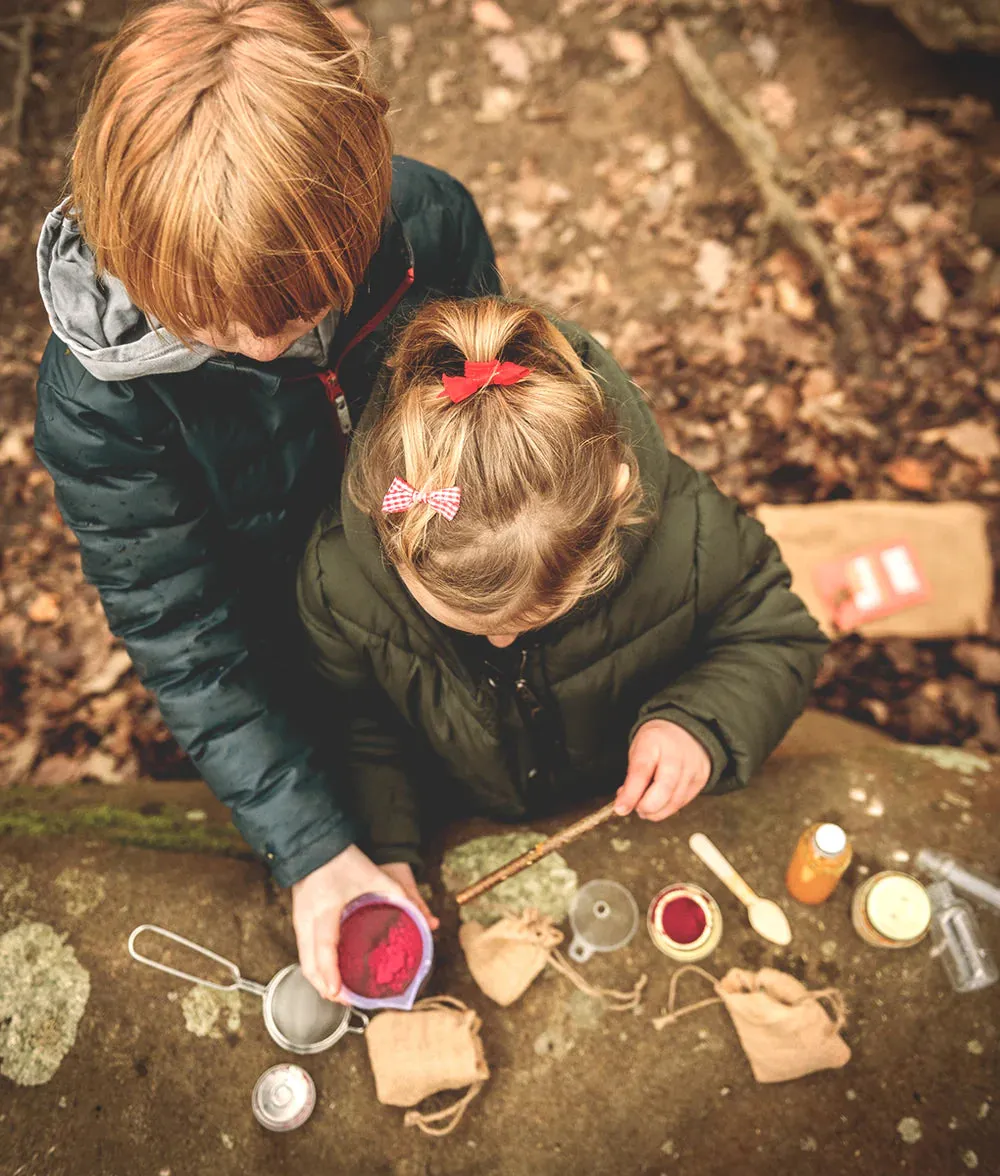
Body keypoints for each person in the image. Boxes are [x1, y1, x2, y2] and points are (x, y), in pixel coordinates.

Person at [34, 0, 500, 987]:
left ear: (359, 204)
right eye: (208, 324)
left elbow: (485, 394)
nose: (262, 347)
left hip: (421, 567)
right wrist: (313, 846)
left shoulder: (427, 223)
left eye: (296, 312)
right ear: (134, 254)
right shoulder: (98, 403)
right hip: (273, 631)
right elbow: (184, 635)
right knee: (341, 762)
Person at [298, 296, 829, 999]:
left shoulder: (690, 539)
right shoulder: (342, 584)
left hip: (611, 787)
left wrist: (700, 724)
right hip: (465, 797)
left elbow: (778, 634)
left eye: (533, 614)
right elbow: (358, 724)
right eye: (465, 622)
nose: (501, 640)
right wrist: (390, 844)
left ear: (613, 506)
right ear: (394, 537)